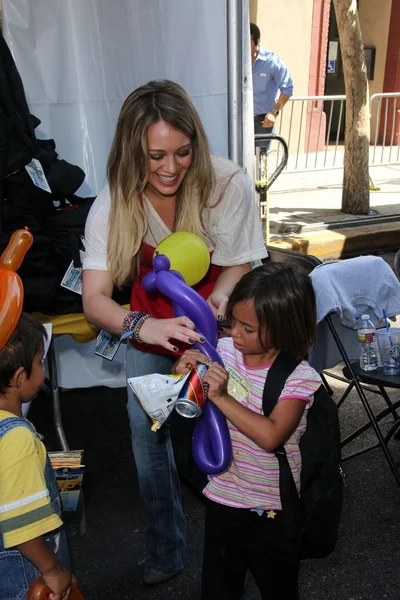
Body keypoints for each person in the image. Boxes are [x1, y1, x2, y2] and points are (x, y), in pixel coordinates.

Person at [82, 79, 267, 585]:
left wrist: (218, 303)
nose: (169, 168)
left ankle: (259, 534)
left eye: (182, 153)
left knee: (242, 427)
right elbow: (94, 299)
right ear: (131, 152)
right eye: (154, 156)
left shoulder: (227, 184)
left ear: (196, 145)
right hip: (150, 325)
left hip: (216, 319)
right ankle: (166, 546)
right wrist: (149, 326)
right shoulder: (115, 202)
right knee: (147, 437)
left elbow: (238, 264)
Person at [173, 262, 321, 599]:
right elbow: (193, 404)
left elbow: (271, 436)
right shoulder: (224, 352)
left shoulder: (297, 379)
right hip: (224, 496)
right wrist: (184, 372)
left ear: (284, 329)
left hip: (271, 507)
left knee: (278, 587)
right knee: (219, 586)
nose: (235, 333)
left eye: (248, 328)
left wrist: (222, 397)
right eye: (233, 322)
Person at [0, 313, 76, 600]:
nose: (43, 368)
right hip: (25, 580)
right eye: (40, 362)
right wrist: (54, 570)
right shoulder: (16, 439)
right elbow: (22, 524)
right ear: (20, 377)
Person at [250, 22, 294, 153]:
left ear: (257, 41)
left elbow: (287, 88)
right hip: (239, 122)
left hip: (261, 123)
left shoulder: (272, 61)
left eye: (247, 41)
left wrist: (274, 112)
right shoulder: (237, 61)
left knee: (260, 165)